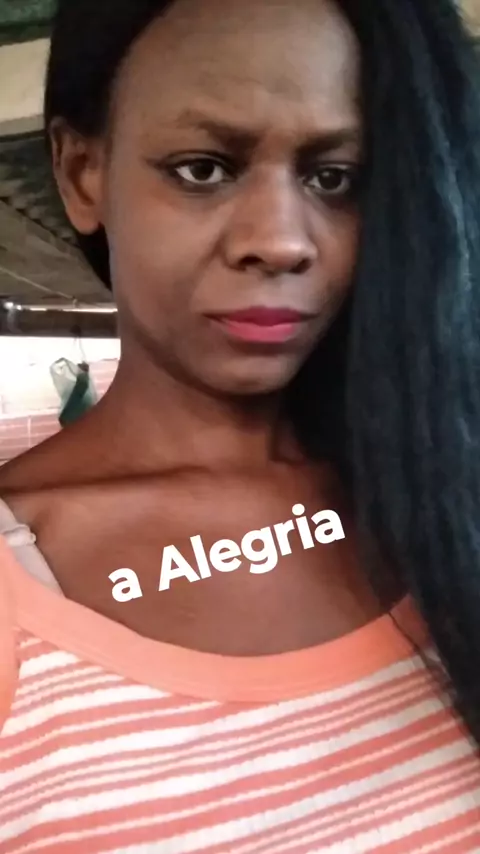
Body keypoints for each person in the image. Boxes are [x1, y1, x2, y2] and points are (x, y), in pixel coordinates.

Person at [0, 0, 480, 850]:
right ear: (81, 173)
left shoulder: (450, 483)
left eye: (334, 177)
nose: (281, 242)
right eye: (203, 168)